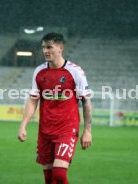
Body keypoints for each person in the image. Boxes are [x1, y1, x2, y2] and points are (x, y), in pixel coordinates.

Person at [17, 32, 92, 184]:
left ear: (60, 48)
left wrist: (87, 130)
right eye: (43, 47)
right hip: (45, 130)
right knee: (49, 178)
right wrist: (23, 125)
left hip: (67, 129)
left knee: (59, 174)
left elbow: (86, 102)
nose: (45, 51)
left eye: (49, 47)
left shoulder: (75, 71)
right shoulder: (39, 72)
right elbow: (33, 100)